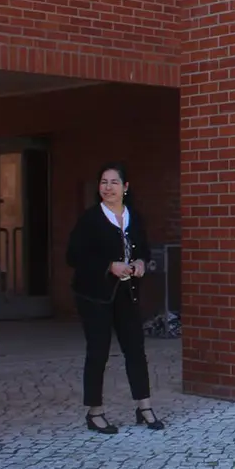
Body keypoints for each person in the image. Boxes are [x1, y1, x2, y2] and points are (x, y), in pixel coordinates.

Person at [65, 162, 164, 434]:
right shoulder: (90, 219)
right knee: (98, 352)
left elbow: (143, 248)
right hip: (94, 295)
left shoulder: (135, 217)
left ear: (125, 187)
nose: (108, 187)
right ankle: (94, 412)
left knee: (135, 349)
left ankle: (144, 407)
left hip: (127, 292)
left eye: (114, 182)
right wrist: (109, 265)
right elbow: (73, 256)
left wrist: (141, 263)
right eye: (104, 182)